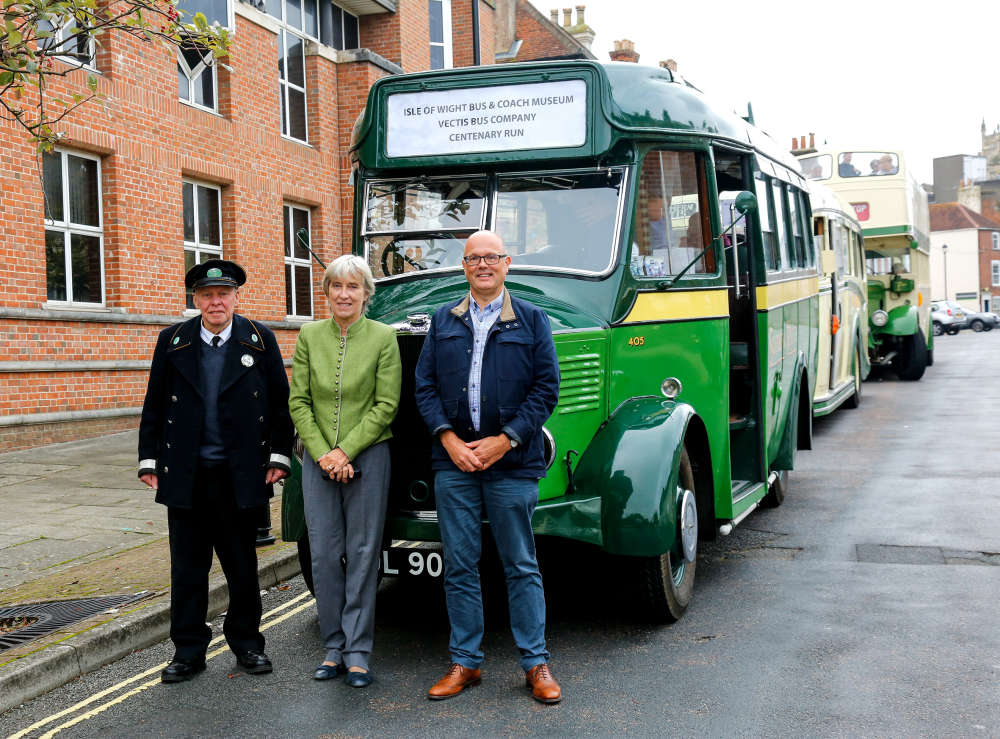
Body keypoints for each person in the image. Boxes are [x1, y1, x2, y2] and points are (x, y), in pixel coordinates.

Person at [415, 230, 562, 704]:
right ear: (463, 266)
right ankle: (466, 663)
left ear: (506, 263)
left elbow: (546, 391)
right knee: (459, 564)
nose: (483, 265)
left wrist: (505, 440)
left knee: (520, 563)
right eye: (473, 258)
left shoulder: (533, 319)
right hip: (454, 462)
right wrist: (449, 439)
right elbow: (425, 388)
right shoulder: (443, 320)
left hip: (514, 462)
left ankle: (535, 664)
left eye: (491, 257)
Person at [138, 259, 294, 684]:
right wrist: (149, 461)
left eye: (223, 294)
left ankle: (246, 644)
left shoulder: (259, 339)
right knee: (187, 570)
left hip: (240, 474)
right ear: (195, 300)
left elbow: (282, 404)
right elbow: (155, 402)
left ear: (235, 297)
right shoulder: (172, 341)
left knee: (241, 566)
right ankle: (188, 651)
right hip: (186, 474)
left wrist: (280, 457)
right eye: (206, 296)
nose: (215, 302)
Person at [288, 255, 401, 689]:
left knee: (362, 553)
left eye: (353, 286)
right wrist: (324, 454)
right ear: (327, 292)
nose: (344, 294)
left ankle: (358, 651)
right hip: (318, 460)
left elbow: (386, 405)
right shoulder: (309, 335)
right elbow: (298, 401)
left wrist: (346, 450)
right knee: (323, 554)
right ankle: (333, 646)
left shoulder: (384, 337)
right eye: (336, 286)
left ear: (366, 294)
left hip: (369, 456)